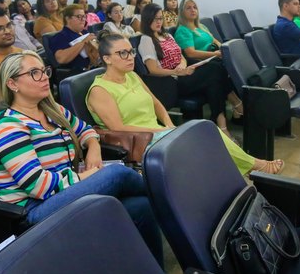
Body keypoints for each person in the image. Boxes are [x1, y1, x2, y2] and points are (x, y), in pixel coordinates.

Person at [0, 50, 163, 264]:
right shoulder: (7, 127)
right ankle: (169, 193)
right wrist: (89, 176)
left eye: (44, 71)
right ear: (12, 84)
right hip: (33, 211)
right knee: (116, 174)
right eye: (34, 73)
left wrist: (94, 148)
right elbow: (38, 186)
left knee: (142, 207)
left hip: (64, 192)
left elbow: (86, 131)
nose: (44, 77)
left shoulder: (51, 111)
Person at [87, 32, 282, 175]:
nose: (130, 57)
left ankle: (245, 169)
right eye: (122, 54)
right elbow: (118, 128)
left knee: (208, 131)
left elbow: (156, 103)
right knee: (202, 137)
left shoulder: (132, 76)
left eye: (131, 52)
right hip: (139, 141)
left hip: (157, 133)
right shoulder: (100, 90)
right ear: (107, 59)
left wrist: (168, 124)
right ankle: (254, 166)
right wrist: (159, 132)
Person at [139, 4, 235, 136]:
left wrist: (183, 65)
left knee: (215, 81)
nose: (158, 22)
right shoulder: (146, 39)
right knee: (215, 70)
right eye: (154, 19)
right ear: (146, 19)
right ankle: (227, 118)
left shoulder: (167, 36)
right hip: (170, 82)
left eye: (160, 18)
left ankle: (221, 126)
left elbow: (181, 56)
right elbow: (152, 70)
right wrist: (176, 72)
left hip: (181, 74)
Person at [49, 4, 99, 72]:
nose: (83, 19)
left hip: (94, 66)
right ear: (68, 18)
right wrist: (83, 42)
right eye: (79, 16)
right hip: (78, 73)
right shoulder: (60, 36)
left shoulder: (84, 32)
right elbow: (61, 59)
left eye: (84, 16)